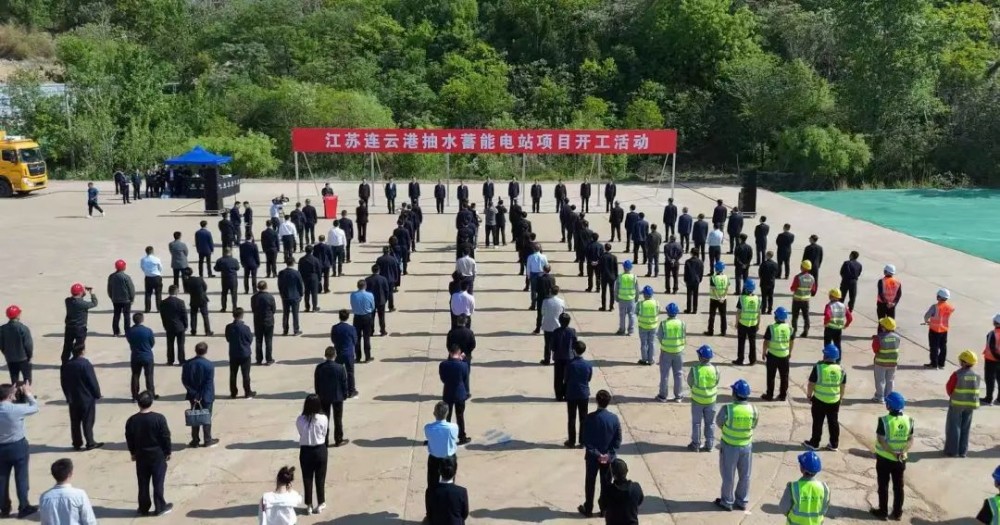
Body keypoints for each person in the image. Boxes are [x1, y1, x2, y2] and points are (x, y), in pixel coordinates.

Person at [124, 391, 172, 516]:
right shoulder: (159, 418)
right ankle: (160, 506)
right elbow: (165, 436)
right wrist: (168, 451)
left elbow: (129, 437)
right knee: (158, 481)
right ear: (151, 402)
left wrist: (133, 452)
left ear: (139, 404)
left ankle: (143, 507)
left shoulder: (132, 420)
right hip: (157, 454)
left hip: (141, 455)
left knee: (143, 482)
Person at [714, 379, 757, 511]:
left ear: (734, 393)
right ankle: (742, 501)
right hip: (746, 447)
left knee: (728, 475)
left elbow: (719, 422)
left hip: (730, 446)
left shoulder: (728, 409)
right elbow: (754, 424)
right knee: (745, 475)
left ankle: (727, 501)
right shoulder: (753, 410)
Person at [579, 390, 621, 518]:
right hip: (608, 459)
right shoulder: (614, 419)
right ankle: (604, 509)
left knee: (590, 482)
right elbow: (617, 440)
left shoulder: (589, 418)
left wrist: (597, 455)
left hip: (592, 458)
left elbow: (585, 440)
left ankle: (588, 508)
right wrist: (608, 454)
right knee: (606, 483)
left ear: (597, 401)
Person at [870, 392, 912, 521]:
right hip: (901, 459)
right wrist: (902, 451)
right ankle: (898, 513)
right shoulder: (909, 420)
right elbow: (910, 439)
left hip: (885, 459)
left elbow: (882, 440)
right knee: (899, 487)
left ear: (889, 406)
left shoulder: (884, 421)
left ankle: (883, 511)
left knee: (883, 485)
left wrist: (893, 453)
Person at [0, 382, 38, 518]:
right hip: (17, 446)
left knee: (2, 478)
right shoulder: (16, 410)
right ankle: (23, 506)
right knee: (21, 477)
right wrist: (28, 394)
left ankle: (4, 508)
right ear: (10, 395)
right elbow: (34, 407)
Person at [60, 344, 104, 449]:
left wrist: (67, 395)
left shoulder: (66, 365)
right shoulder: (85, 364)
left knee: (75, 422)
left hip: (73, 398)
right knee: (88, 420)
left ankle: (77, 443)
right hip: (86, 398)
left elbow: (63, 382)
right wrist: (97, 394)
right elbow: (92, 381)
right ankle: (90, 442)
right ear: (82, 351)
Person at [803, 345, 845, 451]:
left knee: (818, 422)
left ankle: (815, 443)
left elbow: (811, 383)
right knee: (833, 422)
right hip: (834, 401)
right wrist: (840, 397)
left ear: (826, 355)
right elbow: (842, 386)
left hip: (819, 400)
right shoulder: (841, 369)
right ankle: (834, 444)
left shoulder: (818, 367)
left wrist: (809, 395)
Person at [424, 402, 459, 521]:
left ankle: (430, 515)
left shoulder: (428, 428)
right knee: (450, 487)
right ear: (447, 413)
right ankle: (448, 513)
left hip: (434, 459)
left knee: (432, 488)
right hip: (449, 459)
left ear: (434, 413)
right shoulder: (453, 427)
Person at [296, 395, 329, 515]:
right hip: (320, 449)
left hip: (306, 451)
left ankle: (309, 505)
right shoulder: (323, 418)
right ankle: (321, 503)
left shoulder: (300, 419)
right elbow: (324, 433)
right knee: (320, 478)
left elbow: (300, 433)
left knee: (307, 477)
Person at [945, 350, 982, 457]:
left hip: (956, 404)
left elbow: (949, 388)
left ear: (964, 362)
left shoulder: (957, 374)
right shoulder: (977, 375)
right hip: (970, 405)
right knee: (965, 427)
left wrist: (953, 396)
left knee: (954, 427)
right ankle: (963, 451)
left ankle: (952, 451)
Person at [39, 458, 97, 525]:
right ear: (70, 474)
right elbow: (89, 521)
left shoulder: (45, 497)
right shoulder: (79, 495)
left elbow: (45, 522)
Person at [181, 342, 217, 448]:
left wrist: (194, 394)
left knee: (195, 417)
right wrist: (200, 396)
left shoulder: (187, 364)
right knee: (206, 417)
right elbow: (208, 382)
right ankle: (207, 439)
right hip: (206, 396)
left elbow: (184, 380)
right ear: (206, 351)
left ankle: (195, 440)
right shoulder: (209, 365)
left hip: (193, 396)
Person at [779, 451, 830, 525]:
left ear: (802, 469)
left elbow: (783, 508)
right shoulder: (824, 488)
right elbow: (824, 510)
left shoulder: (793, 487)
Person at [314, 347, 348, 447]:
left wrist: (318, 394)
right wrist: (345, 394)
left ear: (325, 356)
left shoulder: (319, 368)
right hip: (337, 397)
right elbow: (344, 383)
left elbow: (317, 383)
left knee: (324, 420)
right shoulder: (340, 368)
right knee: (338, 419)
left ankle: (325, 441)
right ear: (335, 355)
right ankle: (338, 439)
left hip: (324, 397)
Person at [687, 345, 719, 452]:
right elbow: (717, 381)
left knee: (697, 423)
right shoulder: (715, 369)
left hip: (697, 401)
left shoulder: (695, 370)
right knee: (710, 423)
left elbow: (690, 382)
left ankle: (695, 444)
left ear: (700, 357)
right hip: (711, 401)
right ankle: (709, 445)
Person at [563, 340, 593, 448]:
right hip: (584, 394)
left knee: (572, 417)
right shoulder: (588, 365)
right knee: (583, 418)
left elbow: (566, 379)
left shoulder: (570, 364)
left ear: (574, 351)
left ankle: (571, 441)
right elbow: (589, 378)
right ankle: (583, 441)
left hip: (572, 394)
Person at [440, 345, 471, 445]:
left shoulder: (443, 365)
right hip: (460, 394)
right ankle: (462, 436)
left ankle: (446, 437)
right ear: (459, 353)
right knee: (460, 416)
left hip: (448, 393)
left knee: (446, 417)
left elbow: (443, 379)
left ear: (449, 353)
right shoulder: (464, 365)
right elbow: (465, 379)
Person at [656, 303, 685, 402]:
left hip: (666, 352)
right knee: (678, 374)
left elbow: (660, 336)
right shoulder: (682, 323)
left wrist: (665, 345)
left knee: (664, 375)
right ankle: (678, 396)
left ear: (667, 313)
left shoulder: (664, 324)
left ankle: (663, 396)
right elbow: (684, 336)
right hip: (678, 352)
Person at [600, 458, 644, 525]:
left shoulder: (608, 490)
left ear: (613, 474)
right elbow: (640, 501)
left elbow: (603, 505)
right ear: (626, 471)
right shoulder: (636, 488)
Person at [761, 308, 793, 401]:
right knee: (784, 376)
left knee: (771, 376)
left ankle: (769, 395)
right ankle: (783, 395)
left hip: (773, 355)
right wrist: (790, 352)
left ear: (776, 317)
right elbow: (791, 341)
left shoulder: (771, 328)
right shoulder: (789, 328)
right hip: (784, 356)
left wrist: (763, 352)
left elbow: (766, 342)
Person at [63, 284, 98, 363]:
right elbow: (94, 303)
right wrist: (91, 293)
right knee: (79, 346)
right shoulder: (82, 304)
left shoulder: (68, 301)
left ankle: (64, 362)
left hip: (69, 327)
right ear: (80, 293)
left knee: (67, 346)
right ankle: (77, 361)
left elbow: (76, 298)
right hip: (80, 328)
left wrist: (82, 293)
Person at [225, 308, 255, 399]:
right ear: (242, 315)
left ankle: (233, 392)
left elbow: (228, 339)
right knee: (245, 374)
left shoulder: (229, 327)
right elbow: (249, 339)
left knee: (233, 374)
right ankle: (247, 392)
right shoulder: (245, 328)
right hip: (244, 353)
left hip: (233, 353)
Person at [426, 460, 469, 525]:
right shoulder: (462, 492)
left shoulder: (430, 490)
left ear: (439, 471)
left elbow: (429, 514)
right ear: (455, 472)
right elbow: (465, 513)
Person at [126, 313, 157, 401]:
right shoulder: (148, 330)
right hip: (147, 355)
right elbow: (152, 342)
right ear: (142, 320)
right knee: (149, 376)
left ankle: (135, 395)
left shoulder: (130, 331)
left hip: (135, 355)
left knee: (135, 376)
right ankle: (151, 394)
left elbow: (129, 341)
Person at [330, 310, 360, 399]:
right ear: (348, 317)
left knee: (338, 373)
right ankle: (351, 391)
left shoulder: (335, 328)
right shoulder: (351, 328)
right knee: (350, 373)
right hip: (349, 353)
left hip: (339, 352)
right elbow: (355, 340)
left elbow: (333, 339)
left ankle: (338, 390)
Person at [870, 317, 900, 403]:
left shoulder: (879, 338)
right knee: (890, 380)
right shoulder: (898, 337)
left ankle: (880, 397)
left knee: (880, 380)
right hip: (893, 363)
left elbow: (875, 350)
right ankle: (888, 396)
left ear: (884, 327)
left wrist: (876, 339)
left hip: (881, 362)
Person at [924, 288, 955, 369]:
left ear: (939, 297)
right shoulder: (950, 307)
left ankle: (934, 364)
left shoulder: (935, 307)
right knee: (943, 347)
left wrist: (927, 321)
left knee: (934, 347)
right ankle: (941, 363)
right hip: (944, 330)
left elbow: (927, 315)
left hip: (934, 330)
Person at [0, 306, 32, 385]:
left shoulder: (2, 329)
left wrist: (6, 353)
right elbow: (28, 345)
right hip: (23, 358)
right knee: (27, 379)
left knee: (14, 379)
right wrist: (29, 356)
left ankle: (15, 395)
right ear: (18, 315)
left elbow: (1, 345)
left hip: (10, 358)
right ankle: (26, 395)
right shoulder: (23, 328)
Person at [551, 313, 578, 401]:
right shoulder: (572, 331)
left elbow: (552, 346)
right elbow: (575, 344)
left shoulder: (556, 331)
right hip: (569, 358)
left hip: (558, 357)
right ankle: (567, 394)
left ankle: (559, 396)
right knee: (568, 377)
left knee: (558, 378)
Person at [159, 285, 188, 366]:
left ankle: (170, 360)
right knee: (181, 344)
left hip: (169, 326)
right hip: (180, 327)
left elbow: (163, 316)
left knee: (170, 344)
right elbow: (184, 315)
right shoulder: (180, 302)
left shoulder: (163, 302)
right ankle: (181, 360)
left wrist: (165, 325)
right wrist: (185, 325)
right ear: (176, 291)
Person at [107, 259, 136, 336]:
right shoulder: (126, 277)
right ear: (124, 267)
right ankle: (127, 331)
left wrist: (111, 296)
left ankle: (116, 332)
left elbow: (109, 288)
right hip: (126, 300)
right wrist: (132, 298)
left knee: (116, 315)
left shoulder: (111, 276)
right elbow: (131, 288)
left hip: (115, 300)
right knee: (126, 316)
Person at [734, 280, 760, 366]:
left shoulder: (742, 298)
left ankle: (740, 359)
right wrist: (758, 323)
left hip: (743, 323)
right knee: (752, 343)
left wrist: (736, 323)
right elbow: (759, 313)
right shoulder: (757, 299)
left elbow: (738, 312)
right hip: (753, 323)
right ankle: (753, 360)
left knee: (741, 343)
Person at [250, 281, 277, 365]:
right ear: (266, 287)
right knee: (268, 340)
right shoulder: (270, 297)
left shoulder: (254, 297)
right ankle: (269, 359)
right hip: (268, 321)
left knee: (258, 340)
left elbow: (253, 309)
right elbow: (274, 309)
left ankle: (259, 359)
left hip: (258, 321)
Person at [350, 280, 376, 362]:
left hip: (357, 317)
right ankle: (367, 357)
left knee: (357, 338)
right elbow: (373, 307)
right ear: (365, 286)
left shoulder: (353, 295)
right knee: (366, 338)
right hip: (367, 317)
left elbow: (352, 305)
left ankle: (358, 357)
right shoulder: (370, 295)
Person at [790, 260, 817, 338]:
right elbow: (813, 290)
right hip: (806, 300)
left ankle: (794, 332)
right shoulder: (812, 278)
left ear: (802, 267)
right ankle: (806, 331)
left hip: (797, 300)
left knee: (795, 316)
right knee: (806, 316)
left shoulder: (798, 277)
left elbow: (793, 288)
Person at [823, 288, 853, 358]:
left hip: (829, 328)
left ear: (832, 296)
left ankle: (827, 358)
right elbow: (850, 318)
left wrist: (825, 323)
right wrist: (846, 325)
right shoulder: (843, 306)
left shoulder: (829, 305)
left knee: (827, 344)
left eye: (830, 295)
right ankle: (838, 359)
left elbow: (827, 315)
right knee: (837, 344)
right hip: (838, 329)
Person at [277, 258, 304, 336]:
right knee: (295, 314)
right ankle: (296, 330)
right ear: (293, 263)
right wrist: (301, 294)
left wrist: (281, 293)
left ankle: (285, 330)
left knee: (285, 313)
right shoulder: (297, 273)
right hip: (295, 296)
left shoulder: (281, 273)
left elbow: (279, 285)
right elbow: (300, 285)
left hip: (285, 296)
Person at [182, 268, 212, 336]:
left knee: (193, 316)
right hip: (202, 299)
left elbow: (187, 291)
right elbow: (205, 287)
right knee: (205, 316)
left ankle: (193, 331)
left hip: (193, 299)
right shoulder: (199, 279)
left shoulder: (186, 281)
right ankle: (207, 331)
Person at [540, 287, 566, 365]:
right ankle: (556, 359)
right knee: (557, 344)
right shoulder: (561, 302)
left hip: (547, 325)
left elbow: (542, 312)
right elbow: (563, 313)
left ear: (550, 291)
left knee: (547, 344)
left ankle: (547, 359)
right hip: (557, 325)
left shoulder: (545, 301)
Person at [704, 261, 729, 337]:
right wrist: (722, 297)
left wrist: (718, 298)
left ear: (716, 269)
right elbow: (727, 288)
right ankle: (723, 331)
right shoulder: (726, 277)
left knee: (712, 315)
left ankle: (710, 331)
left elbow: (713, 289)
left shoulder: (713, 278)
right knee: (723, 316)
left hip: (714, 299)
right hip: (723, 299)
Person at [636, 287, 659, 366]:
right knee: (652, 343)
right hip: (653, 326)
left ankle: (644, 359)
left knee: (644, 343)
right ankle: (651, 359)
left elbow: (636, 312)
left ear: (644, 295)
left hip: (643, 326)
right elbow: (658, 311)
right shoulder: (656, 303)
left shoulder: (640, 304)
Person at [615, 260, 638, 336]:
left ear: (624, 268)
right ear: (631, 268)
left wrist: (616, 297)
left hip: (622, 299)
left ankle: (622, 330)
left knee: (622, 316)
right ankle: (630, 331)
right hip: (631, 299)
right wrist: (636, 298)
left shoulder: (620, 277)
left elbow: (616, 288)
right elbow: (637, 289)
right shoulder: (634, 277)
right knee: (631, 315)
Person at [213, 248, 241, 313]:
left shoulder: (220, 260)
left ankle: (223, 307)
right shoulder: (234, 260)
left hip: (224, 279)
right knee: (234, 294)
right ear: (230, 252)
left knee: (224, 294)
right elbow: (237, 268)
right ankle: (234, 307)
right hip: (233, 279)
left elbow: (216, 268)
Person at [983, 313, 1000, 406]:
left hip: (991, 360)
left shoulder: (992, 333)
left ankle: (988, 398)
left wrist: (997, 358)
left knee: (990, 380)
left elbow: (991, 347)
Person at [298, 246, 321, 313]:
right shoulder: (315, 259)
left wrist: (302, 277)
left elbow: (300, 269)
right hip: (314, 277)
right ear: (312, 251)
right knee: (314, 293)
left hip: (305, 277)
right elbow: (318, 269)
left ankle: (307, 307)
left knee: (307, 293)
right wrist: (319, 278)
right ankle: (314, 307)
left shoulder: (302, 259)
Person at [683, 248, 704, 314]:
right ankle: (695, 309)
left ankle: (688, 309)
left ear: (692, 253)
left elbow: (686, 272)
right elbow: (701, 272)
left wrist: (685, 279)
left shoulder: (688, 261)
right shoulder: (700, 262)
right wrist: (700, 279)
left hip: (689, 280)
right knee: (695, 295)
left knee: (689, 295)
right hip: (696, 280)